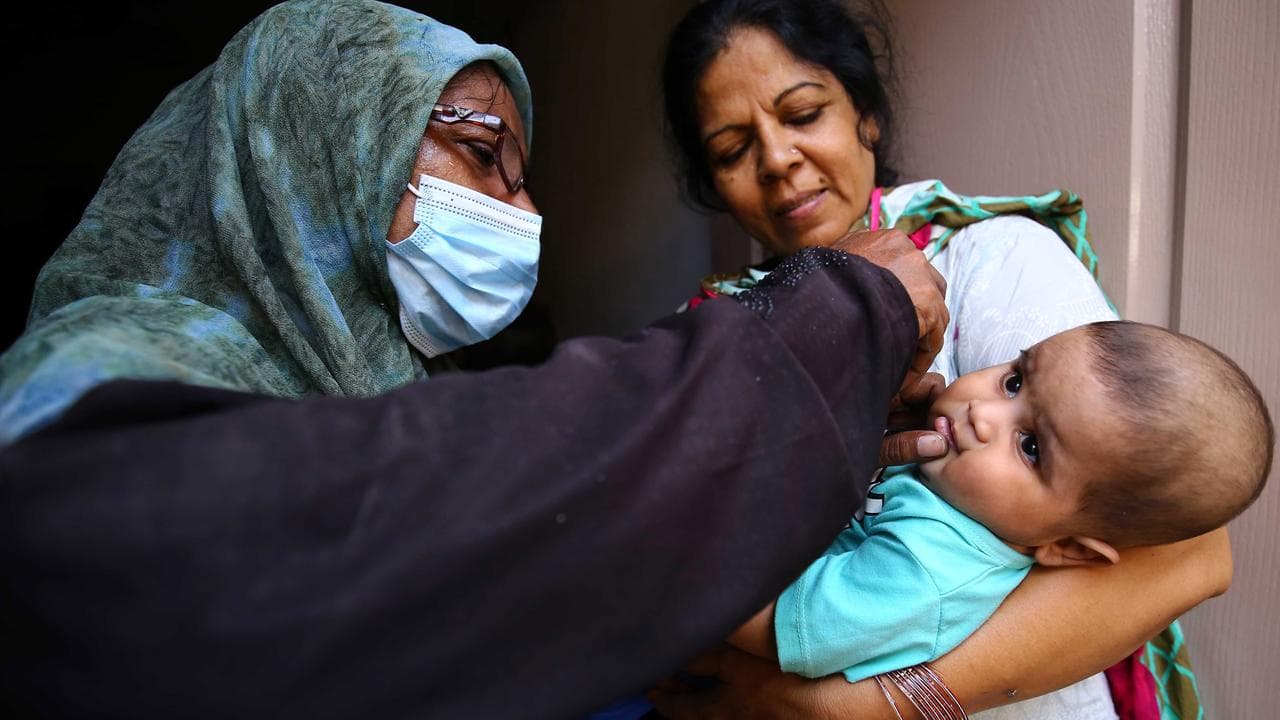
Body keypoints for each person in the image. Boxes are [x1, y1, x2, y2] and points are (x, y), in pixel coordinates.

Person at [0, 2, 953, 718]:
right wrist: (838, 319)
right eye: (480, 152)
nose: (524, 214)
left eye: (523, 179)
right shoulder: (98, 371)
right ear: (317, 150)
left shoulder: (393, 377)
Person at [649, 1, 1236, 718]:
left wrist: (856, 705)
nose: (777, 160)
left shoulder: (986, 258)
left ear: (864, 112)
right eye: (733, 150)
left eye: (802, 114)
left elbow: (1191, 555)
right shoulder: (705, 338)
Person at [728, 320, 1272, 685]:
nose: (983, 413)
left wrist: (673, 547)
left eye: (1031, 447)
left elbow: (781, 629)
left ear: (1066, 548)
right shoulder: (954, 486)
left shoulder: (930, 572)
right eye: (1014, 381)